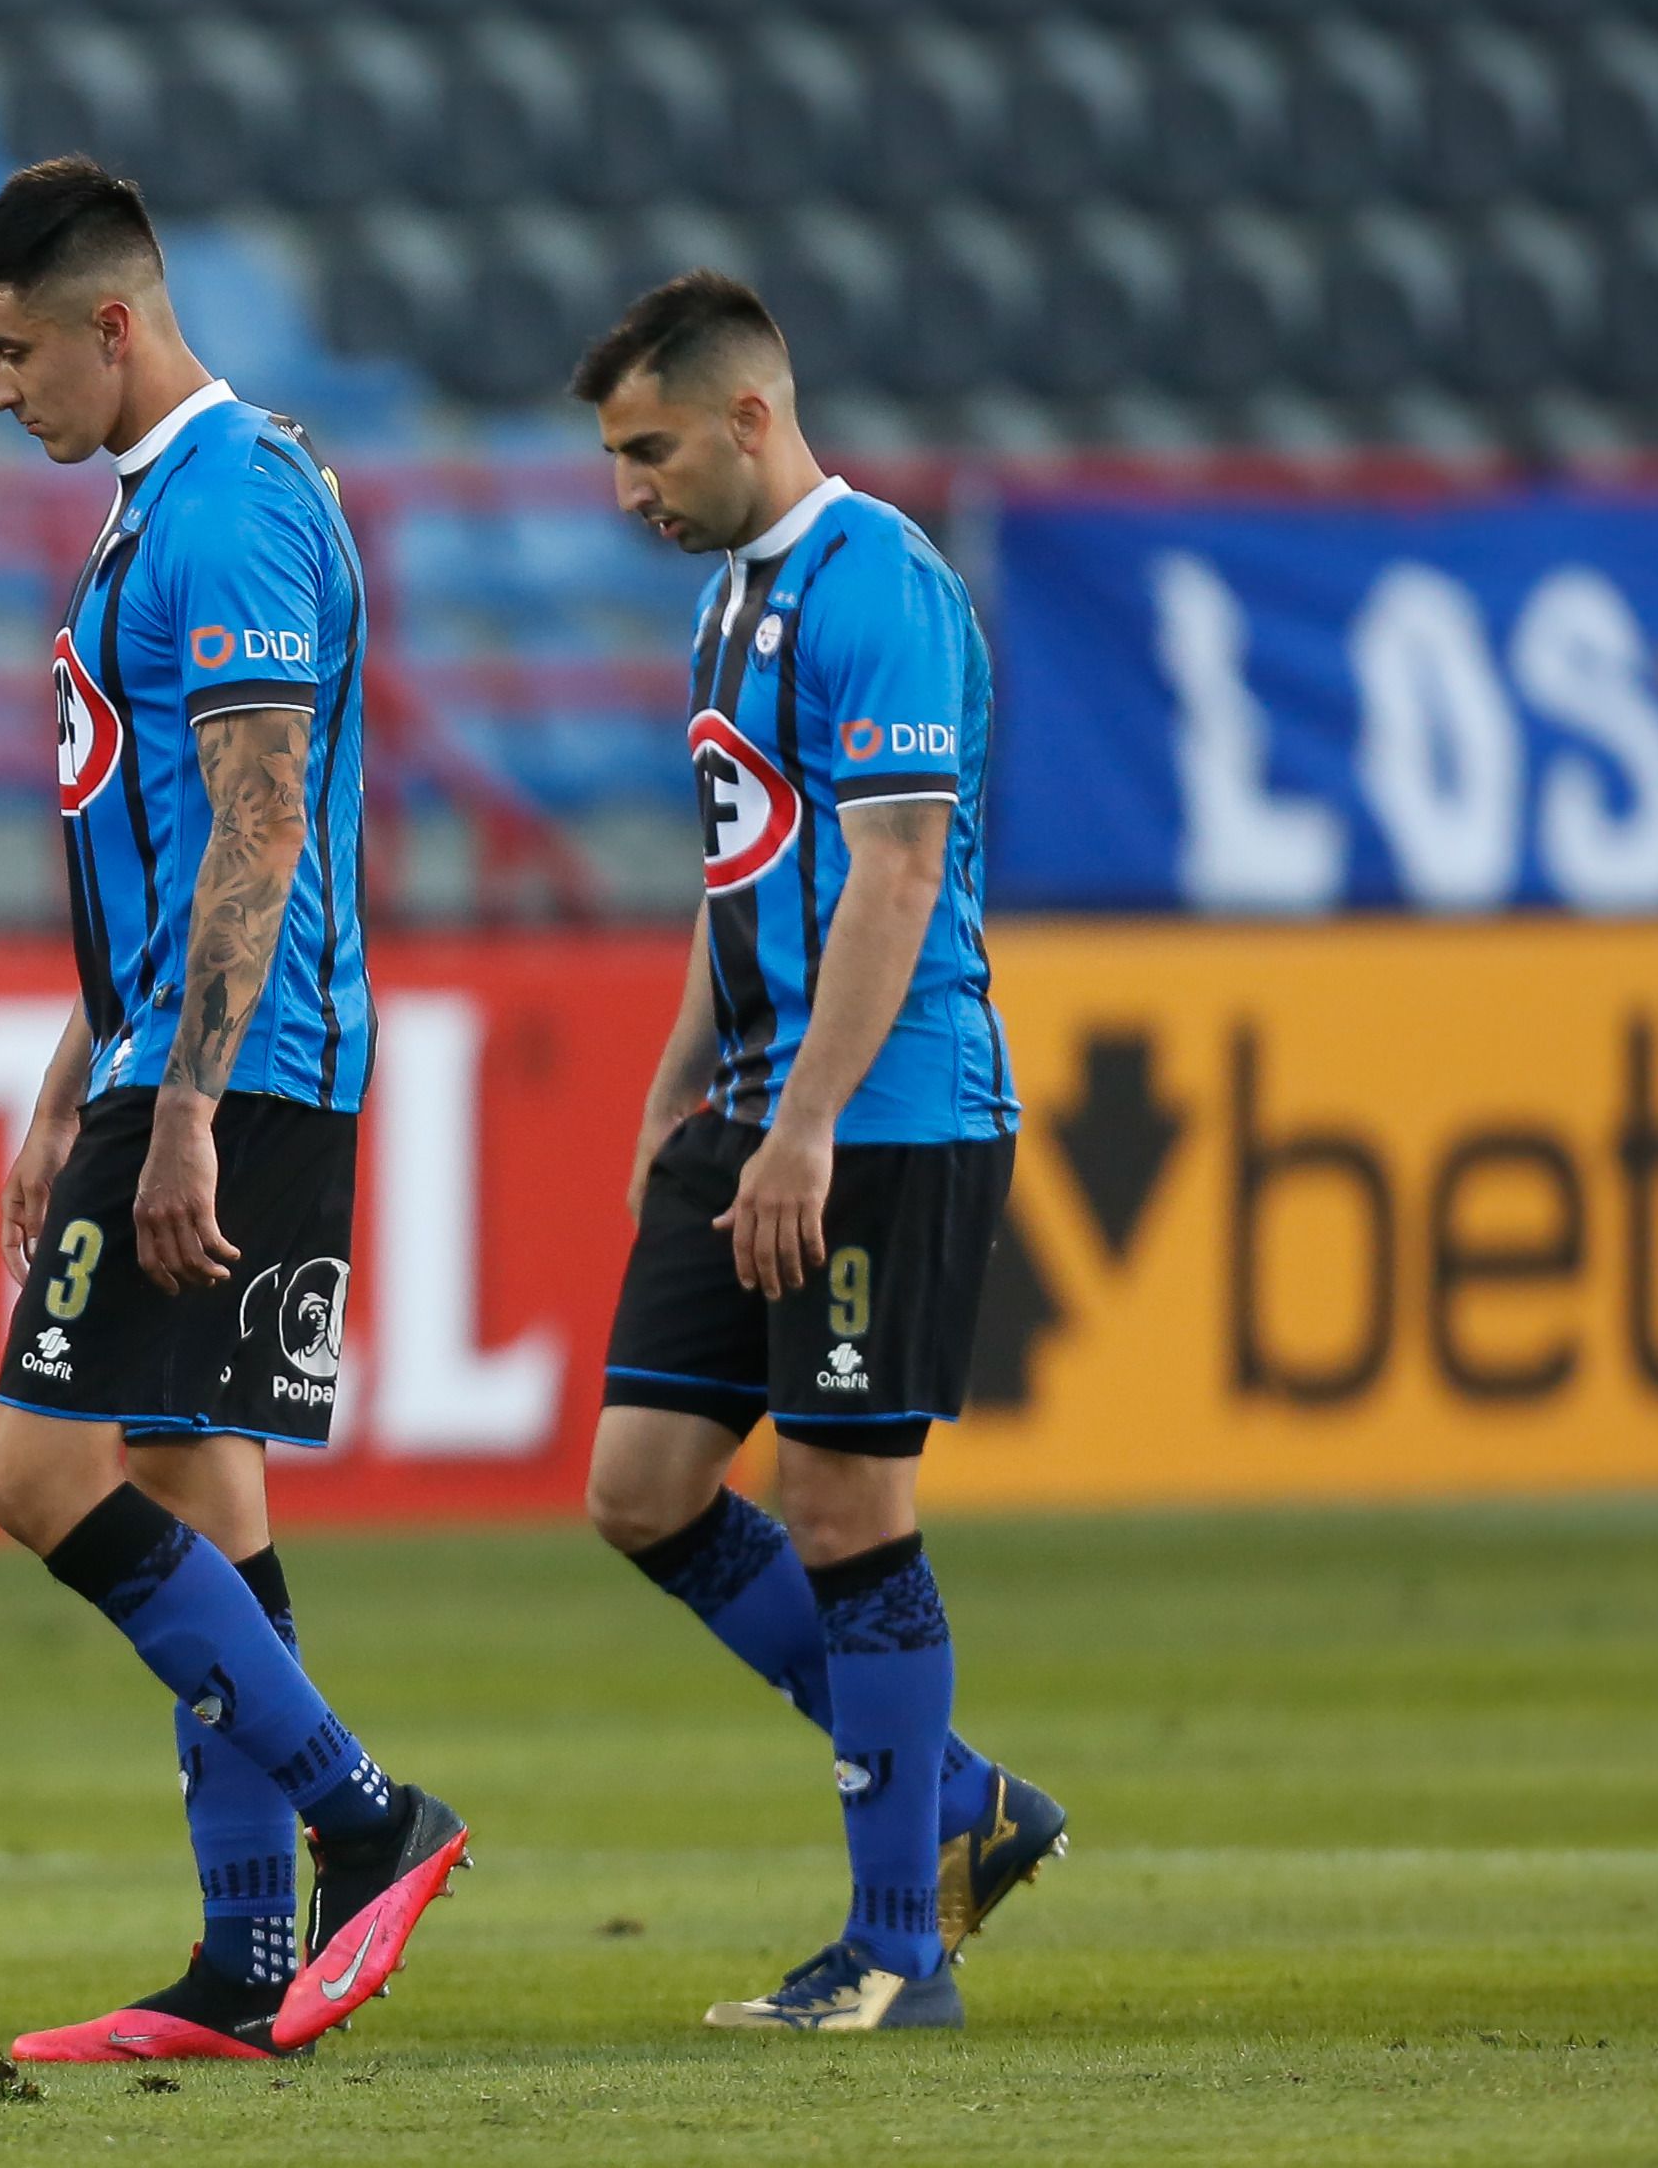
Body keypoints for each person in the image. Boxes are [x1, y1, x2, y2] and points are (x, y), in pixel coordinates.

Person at [0, 157, 466, 2065]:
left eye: (11, 353)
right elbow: (151, 856)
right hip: (168, 1056)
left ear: (111, 320)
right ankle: (246, 1968)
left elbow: (256, 819)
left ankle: (364, 1816)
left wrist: (177, 1116)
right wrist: (70, 1080)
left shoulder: (229, 503)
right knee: (191, 1478)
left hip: (230, 1075)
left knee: (35, 1472)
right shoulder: (165, 501)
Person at [574, 271, 1064, 2033]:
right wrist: (675, 1084)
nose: (630, 487)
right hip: (755, 1104)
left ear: (750, 418)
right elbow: (748, 873)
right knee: (639, 1484)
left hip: (882, 1112)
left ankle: (893, 1947)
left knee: (846, 1500)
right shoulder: (729, 606)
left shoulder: (884, 589)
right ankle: (960, 1802)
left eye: (650, 449)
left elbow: (897, 874)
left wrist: (799, 1130)